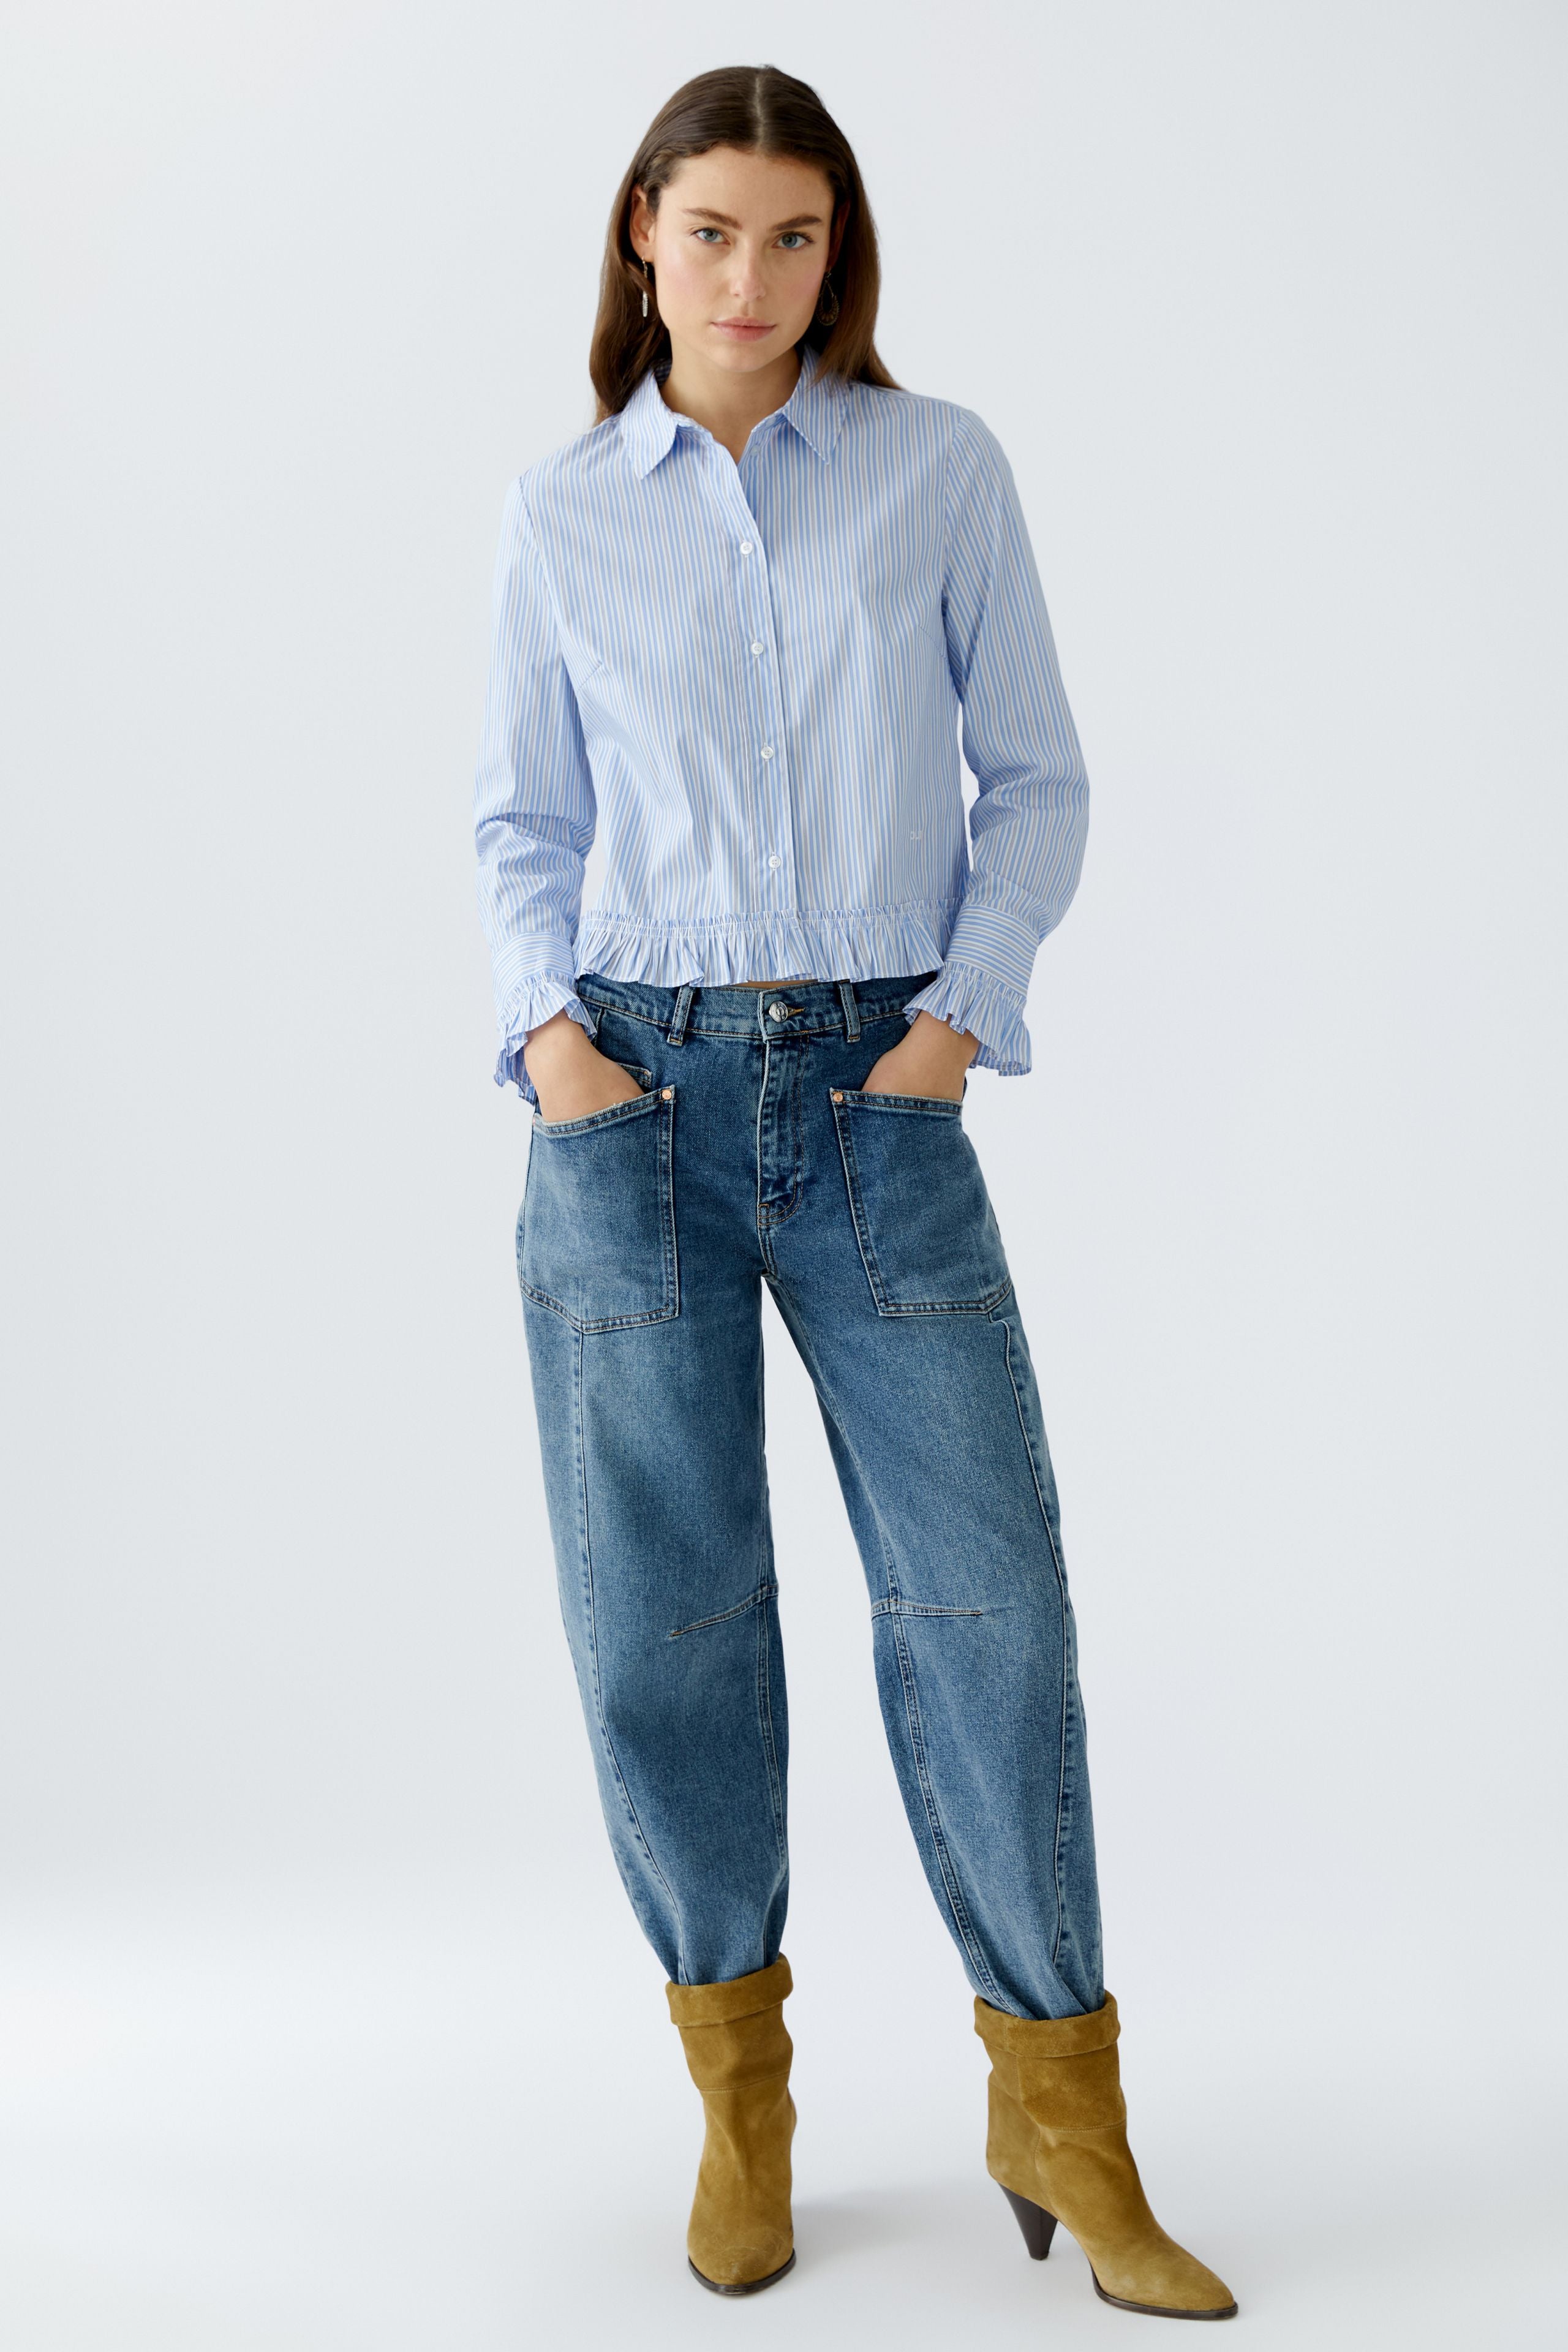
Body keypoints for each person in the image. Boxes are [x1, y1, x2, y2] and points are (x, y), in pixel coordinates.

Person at [472, 62, 1235, 2323]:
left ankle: (1061, 2114)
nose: (751, 275)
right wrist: (558, 1055)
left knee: (989, 1605)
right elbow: (515, 828)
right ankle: (743, 2104)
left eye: (793, 236)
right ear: (641, 237)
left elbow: (1041, 781)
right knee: (670, 1635)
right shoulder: (557, 513)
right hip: (636, 1110)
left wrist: (950, 1028)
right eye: (711, 230)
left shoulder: (936, 471)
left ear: (840, 254)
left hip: (879, 1106)